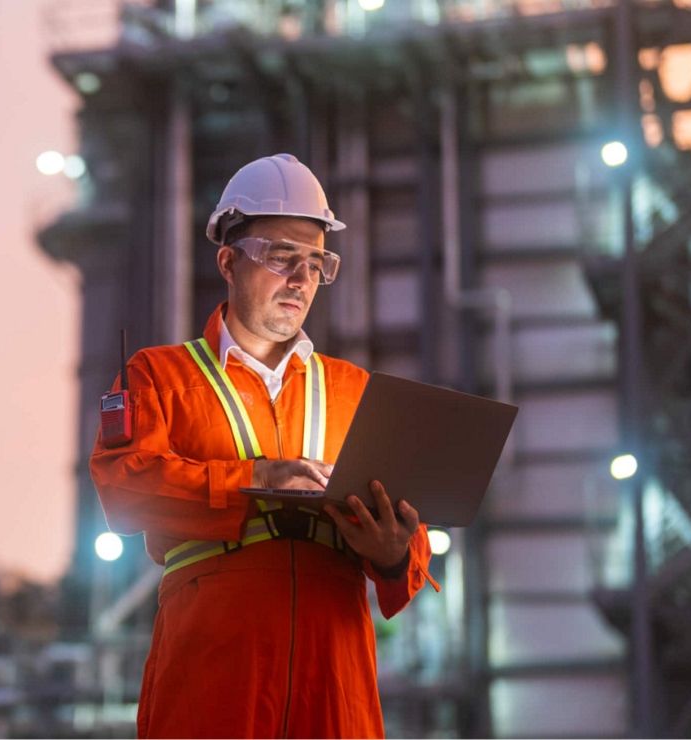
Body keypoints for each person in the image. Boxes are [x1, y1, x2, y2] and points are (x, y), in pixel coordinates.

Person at [89, 153, 440, 738]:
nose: (300, 279)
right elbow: (126, 488)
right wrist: (257, 480)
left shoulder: (356, 392)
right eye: (281, 258)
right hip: (214, 681)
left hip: (336, 687)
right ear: (228, 261)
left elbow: (412, 547)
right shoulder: (159, 376)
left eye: (316, 263)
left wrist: (393, 553)